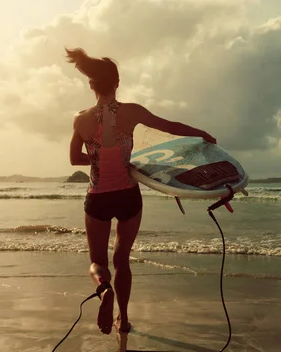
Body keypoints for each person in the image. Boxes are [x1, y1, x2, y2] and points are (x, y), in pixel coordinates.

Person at [66, 47, 216, 338]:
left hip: (97, 196)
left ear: (90, 84)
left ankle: (102, 288)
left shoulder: (80, 119)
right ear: (117, 82)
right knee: (122, 259)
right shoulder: (131, 112)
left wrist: (95, 158)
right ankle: (124, 318)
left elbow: (74, 158)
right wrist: (202, 134)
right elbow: (168, 126)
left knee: (98, 261)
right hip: (128, 195)